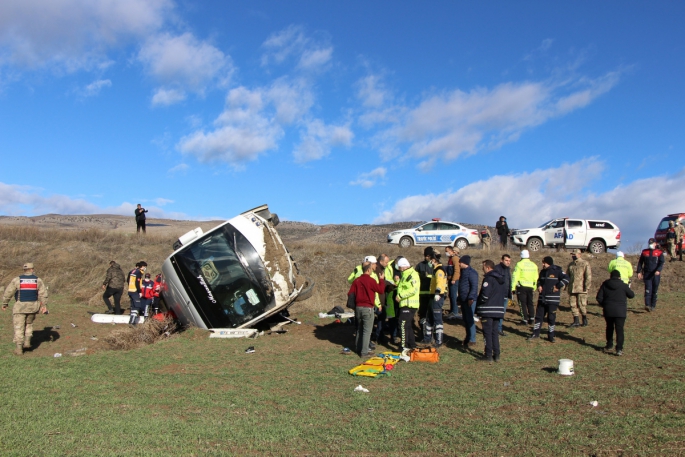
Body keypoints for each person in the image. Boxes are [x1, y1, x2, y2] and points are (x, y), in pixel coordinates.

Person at [2, 263, 49, 355]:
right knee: (29, 323)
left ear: (24, 270)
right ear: (32, 269)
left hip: (20, 307)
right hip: (33, 306)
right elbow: (43, 294)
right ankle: (27, 342)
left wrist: (5, 303)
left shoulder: (17, 280)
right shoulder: (37, 280)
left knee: (19, 326)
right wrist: (44, 306)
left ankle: (19, 349)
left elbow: (9, 292)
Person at [348, 263, 386, 358]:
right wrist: (381, 280)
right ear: (368, 270)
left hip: (358, 308)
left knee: (360, 329)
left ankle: (358, 348)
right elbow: (380, 290)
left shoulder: (357, 280)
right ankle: (364, 352)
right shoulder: (371, 280)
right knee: (367, 331)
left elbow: (350, 293)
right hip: (367, 308)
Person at [528, 256, 569, 342]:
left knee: (551, 318)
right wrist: (539, 286)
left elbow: (567, 278)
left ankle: (551, 335)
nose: (542, 264)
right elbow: (539, 281)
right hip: (542, 298)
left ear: (548, 263)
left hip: (552, 299)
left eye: (544, 263)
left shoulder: (557, 271)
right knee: (539, 317)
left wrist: (558, 286)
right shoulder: (542, 272)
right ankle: (535, 333)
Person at [596, 270, 635, 356]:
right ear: (619, 277)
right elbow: (631, 295)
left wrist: (605, 305)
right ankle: (619, 349)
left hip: (608, 310)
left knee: (609, 327)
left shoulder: (605, 284)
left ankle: (609, 345)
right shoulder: (623, 285)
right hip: (620, 311)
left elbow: (599, 297)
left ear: (610, 276)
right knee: (619, 330)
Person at [476, 260, 505, 362]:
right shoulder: (501, 279)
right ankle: (496, 355)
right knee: (494, 333)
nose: (482, 269)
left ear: (488, 267)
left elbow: (485, 294)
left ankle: (488, 355)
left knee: (487, 333)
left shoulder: (488, 279)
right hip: (498, 310)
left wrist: (480, 303)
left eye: (483, 267)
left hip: (488, 309)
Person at [395, 257, 420, 353]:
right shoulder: (404, 275)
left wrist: (400, 296)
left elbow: (413, 289)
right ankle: (412, 344)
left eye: (399, 266)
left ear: (403, 266)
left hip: (409, 304)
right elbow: (404, 287)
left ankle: (403, 346)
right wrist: (397, 282)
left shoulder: (412, 275)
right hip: (405, 303)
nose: (398, 268)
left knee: (402, 324)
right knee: (407, 325)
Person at [422, 252, 447, 347]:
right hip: (432, 296)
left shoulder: (439, 271)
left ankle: (439, 340)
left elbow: (439, 283)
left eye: (431, 260)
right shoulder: (435, 270)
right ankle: (427, 338)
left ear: (434, 260)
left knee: (437, 320)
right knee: (429, 318)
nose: (430, 262)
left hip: (437, 297)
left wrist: (437, 293)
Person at [636, 238, 665, 312]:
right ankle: (647, 305)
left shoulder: (659, 252)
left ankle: (653, 306)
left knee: (654, 290)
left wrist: (658, 270)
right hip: (647, 274)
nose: (650, 244)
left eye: (652, 243)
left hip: (655, 274)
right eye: (649, 243)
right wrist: (639, 271)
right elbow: (640, 262)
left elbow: (661, 262)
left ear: (655, 243)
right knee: (648, 289)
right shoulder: (644, 252)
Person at [511, 250, 538, 326]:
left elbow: (515, 276)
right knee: (530, 303)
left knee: (522, 303)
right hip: (531, 287)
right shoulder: (534, 265)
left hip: (521, 286)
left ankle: (524, 319)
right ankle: (532, 318)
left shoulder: (519, 264)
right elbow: (536, 277)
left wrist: (512, 288)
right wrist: (534, 286)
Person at [567, 249, 592, 327]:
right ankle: (576, 321)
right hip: (572, 288)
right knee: (573, 305)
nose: (573, 256)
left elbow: (588, 276)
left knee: (581, 305)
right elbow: (567, 276)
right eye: (572, 254)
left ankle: (584, 319)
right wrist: (565, 286)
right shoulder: (570, 265)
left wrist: (587, 287)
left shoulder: (585, 263)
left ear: (579, 254)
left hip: (581, 288)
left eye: (575, 254)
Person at [458, 255, 479, 347]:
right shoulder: (463, 272)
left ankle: (472, 339)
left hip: (469, 300)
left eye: (460, 262)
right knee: (466, 320)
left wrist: (471, 298)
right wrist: (459, 299)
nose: (459, 264)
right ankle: (468, 337)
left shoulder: (472, 273)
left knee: (470, 320)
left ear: (464, 263)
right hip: (463, 299)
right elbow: (461, 287)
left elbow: (474, 287)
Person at [415, 247, 435, 325]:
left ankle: (430, 330)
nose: (427, 257)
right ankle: (422, 331)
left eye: (429, 256)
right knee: (422, 313)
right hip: (422, 293)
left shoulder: (435, 265)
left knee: (431, 313)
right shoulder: (420, 265)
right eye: (426, 256)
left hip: (432, 294)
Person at [493, 254, 512, 336]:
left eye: (509, 261)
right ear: (502, 260)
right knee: (497, 313)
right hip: (498, 295)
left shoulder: (508, 269)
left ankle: (499, 329)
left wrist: (510, 293)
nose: (508, 262)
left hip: (505, 295)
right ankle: (495, 328)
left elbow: (508, 281)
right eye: (506, 260)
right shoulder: (497, 268)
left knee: (502, 313)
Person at [444, 246, 461, 320]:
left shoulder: (455, 258)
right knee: (451, 295)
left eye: (447, 251)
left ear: (452, 251)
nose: (446, 253)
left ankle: (455, 312)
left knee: (454, 295)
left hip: (454, 280)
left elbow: (457, 270)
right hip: (450, 279)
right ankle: (452, 310)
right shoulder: (450, 259)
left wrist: (454, 279)